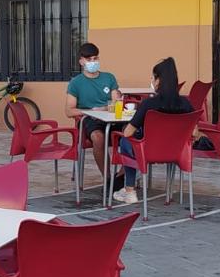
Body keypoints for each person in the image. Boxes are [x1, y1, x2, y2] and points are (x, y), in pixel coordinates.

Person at [111, 58, 195, 205]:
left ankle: (130, 190)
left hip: (148, 152)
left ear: (158, 80)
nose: (152, 80)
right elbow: (194, 132)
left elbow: (129, 132)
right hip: (176, 152)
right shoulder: (186, 103)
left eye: (153, 77)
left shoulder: (148, 104)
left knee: (125, 140)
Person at [65, 42, 121, 179]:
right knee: (98, 137)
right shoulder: (76, 83)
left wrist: (104, 108)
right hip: (88, 119)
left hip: (110, 117)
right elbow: (69, 111)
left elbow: (116, 101)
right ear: (81, 61)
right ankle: (108, 178)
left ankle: (122, 176)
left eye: (95, 58)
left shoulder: (109, 78)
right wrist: (90, 111)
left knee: (133, 132)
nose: (93, 62)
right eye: (89, 59)